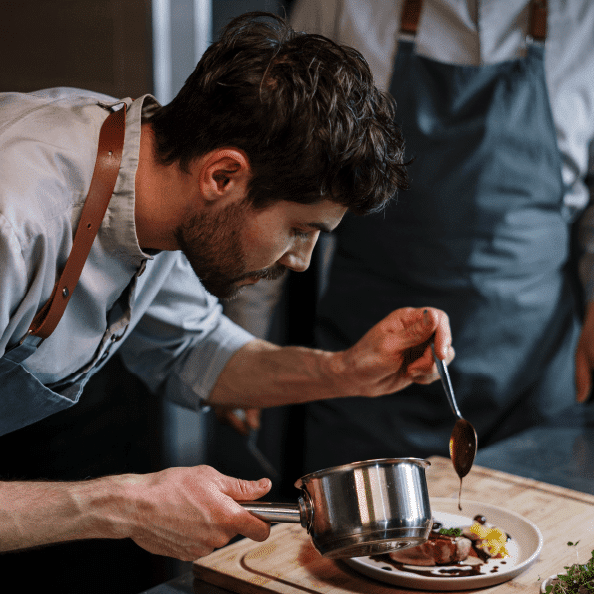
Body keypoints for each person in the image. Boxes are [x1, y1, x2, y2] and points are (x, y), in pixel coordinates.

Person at [0, 12, 454, 562]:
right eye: (299, 229)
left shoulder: (157, 178)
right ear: (222, 176)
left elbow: (194, 351)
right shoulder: (15, 222)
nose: (302, 260)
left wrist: (346, 371)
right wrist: (121, 506)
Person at [266, 0, 594, 474]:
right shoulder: (337, 8)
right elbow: (273, 182)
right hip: (366, 383)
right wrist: (243, 348)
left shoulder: (584, 18)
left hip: (533, 382)